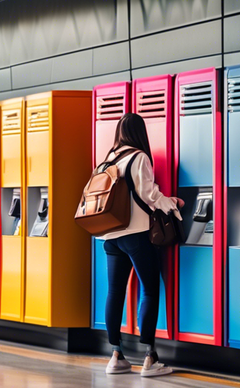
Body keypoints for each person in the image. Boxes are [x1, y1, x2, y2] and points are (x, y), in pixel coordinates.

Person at [99, 113, 183, 377]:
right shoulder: (139, 157)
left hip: (110, 236)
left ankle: (116, 355)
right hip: (136, 235)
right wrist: (174, 204)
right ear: (140, 133)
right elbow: (150, 195)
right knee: (149, 289)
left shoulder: (105, 162)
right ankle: (149, 358)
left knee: (115, 292)